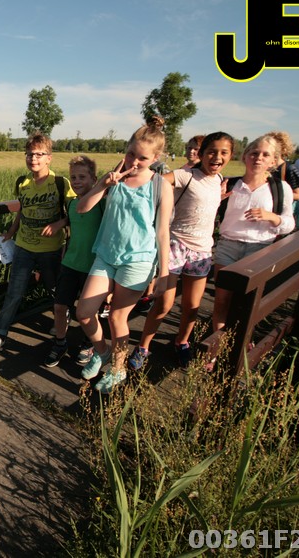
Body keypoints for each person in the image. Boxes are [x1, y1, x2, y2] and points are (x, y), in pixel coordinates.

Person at [74, 117, 173, 393]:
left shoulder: (160, 186)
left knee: (118, 317)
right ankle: (102, 352)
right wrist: (103, 185)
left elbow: (163, 232)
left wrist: (163, 273)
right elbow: (82, 209)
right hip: (107, 254)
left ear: (155, 158)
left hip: (138, 260)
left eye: (142, 158)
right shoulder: (114, 178)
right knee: (84, 313)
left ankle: (118, 370)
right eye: (131, 154)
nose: (134, 162)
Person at [130, 132, 234, 369]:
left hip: (202, 251)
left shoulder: (219, 180)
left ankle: (182, 342)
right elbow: (151, 181)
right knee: (164, 304)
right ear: (202, 154)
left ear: (230, 156)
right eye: (211, 152)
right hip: (176, 245)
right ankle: (143, 346)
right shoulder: (184, 175)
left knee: (192, 307)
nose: (217, 157)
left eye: (223, 153)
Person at [0, 133, 74, 351]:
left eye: (39, 154)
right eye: (29, 154)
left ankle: (62, 321)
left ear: (49, 158)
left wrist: (60, 223)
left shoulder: (60, 183)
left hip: (51, 249)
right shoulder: (22, 182)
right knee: (14, 292)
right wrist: (11, 232)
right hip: (23, 247)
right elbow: (22, 210)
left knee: (55, 290)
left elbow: (75, 211)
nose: (33, 159)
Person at [212, 134, 294, 334]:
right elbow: (208, 215)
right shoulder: (230, 184)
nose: (258, 158)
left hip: (260, 249)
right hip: (227, 246)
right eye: (254, 153)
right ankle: (218, 344)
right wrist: (216, 200)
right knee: (221, 300)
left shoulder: (279, 188)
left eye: (265, 155)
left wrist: (271, 217)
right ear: (245, 156)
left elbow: (289, 224)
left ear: (273, 161)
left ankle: (242, 343)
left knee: (248, 303)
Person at [43, 156, 103, 368]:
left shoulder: (102, 203)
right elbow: (74, 224)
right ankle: (60, 343)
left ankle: (89, 343)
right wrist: (62, 223)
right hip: (70, 263)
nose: (76, 181)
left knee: (88, 312)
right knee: (60, 306)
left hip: (93, 266)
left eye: (82, 177)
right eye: (73, 177)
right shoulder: (72, 203)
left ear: (94, 179)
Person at [268, 131, 299, 202]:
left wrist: (276, 193)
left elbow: (298, 195)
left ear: (283, 149)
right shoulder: (265, 166)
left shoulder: (289, 168)